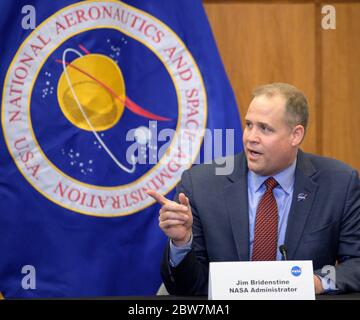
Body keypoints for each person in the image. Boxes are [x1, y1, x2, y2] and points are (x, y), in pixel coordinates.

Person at [147, 83, 360, 296]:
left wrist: (317, 282)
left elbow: (356, 263)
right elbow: (187, 287)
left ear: (296, 135)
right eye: (249, 125)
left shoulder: (338, 184)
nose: (251, 138)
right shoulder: (201, 185)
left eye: (265, 128)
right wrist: (181, 242)